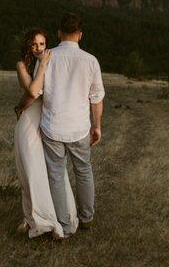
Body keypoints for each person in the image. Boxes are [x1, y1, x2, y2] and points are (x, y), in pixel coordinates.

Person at [38, 12, 105, 238]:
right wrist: (97, 127)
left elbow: (37, 91)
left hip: (52, 126)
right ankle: (87, 218)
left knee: (56, 175)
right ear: (80, 35)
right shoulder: (91, 60)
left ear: (59, 33)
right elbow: (96, 98)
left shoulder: (47, 57)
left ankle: (64, 226)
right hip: (79, 128)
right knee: (84, 172)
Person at [13, 28, 78, 239]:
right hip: (30, 121)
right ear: (28, 46)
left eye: (42, 44)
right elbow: (31, 92)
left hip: (48, 120)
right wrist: (42, 66)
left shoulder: (51, 60)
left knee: (51, 170)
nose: (39, 49)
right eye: (34, 45)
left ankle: (58, 216)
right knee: (31, 169)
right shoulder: (22, 65)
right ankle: (35, 218)